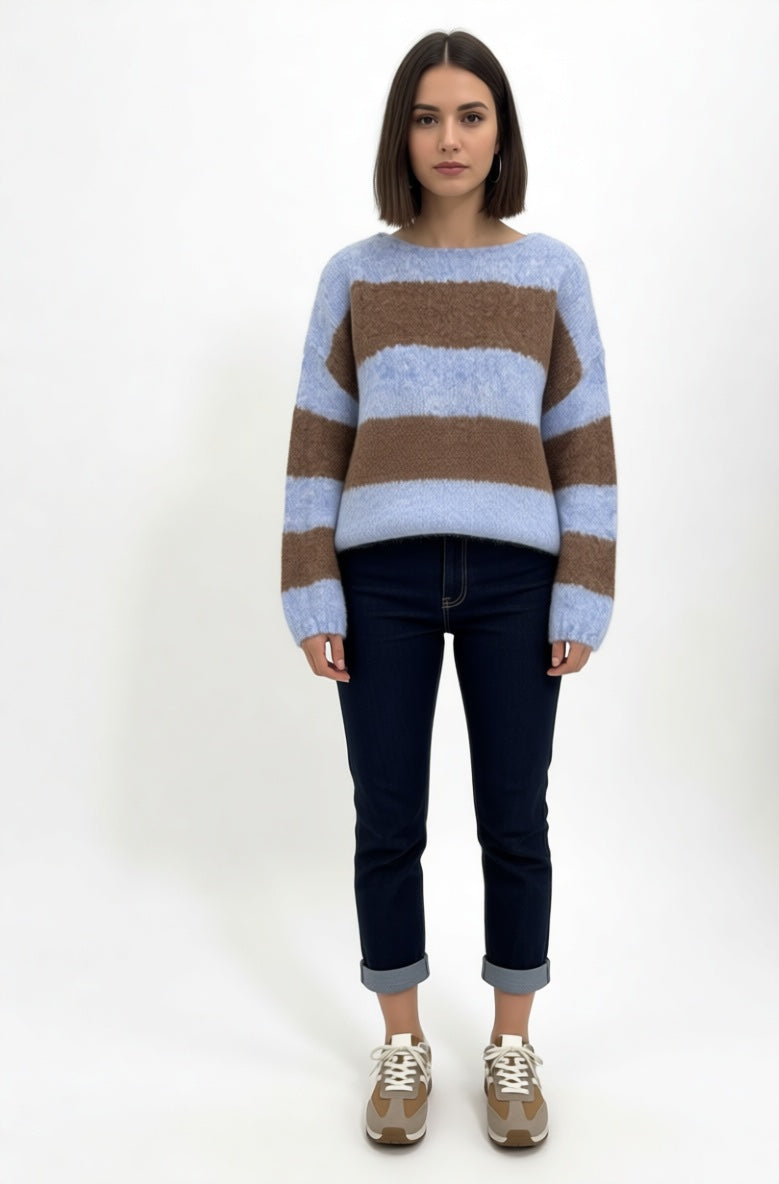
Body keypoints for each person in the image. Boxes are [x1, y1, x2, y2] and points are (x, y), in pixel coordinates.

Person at [281, 29, 616, 1148]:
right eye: (427, 117)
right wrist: (312, 590)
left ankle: (511, 1048)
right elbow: (318, 441)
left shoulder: (551, 273)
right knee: (388, 819)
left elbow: (582, 442)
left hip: (517, 580)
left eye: (471, 115)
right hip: (378, 578)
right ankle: (402, 1042)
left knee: (515, 818)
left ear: (501, 133)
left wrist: (583, 588)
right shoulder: (355, 276)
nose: (449, 138)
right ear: (402, 135)